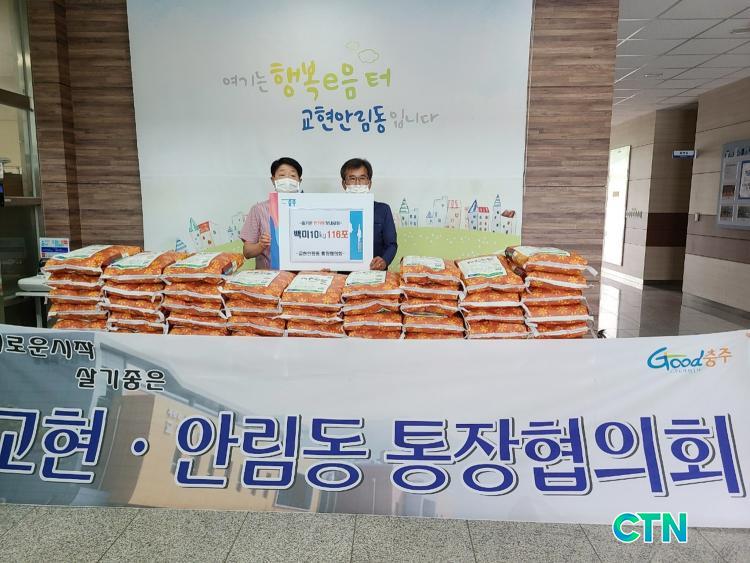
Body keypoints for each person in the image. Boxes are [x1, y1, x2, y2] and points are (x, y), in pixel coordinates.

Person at [241, 157, 302, 269]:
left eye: (293, 176)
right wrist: (261, 245)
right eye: (282, 175)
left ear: (299, 181)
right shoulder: (258, 210)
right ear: (273, 180)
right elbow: (247, 252)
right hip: (268, 276)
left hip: (301, 275)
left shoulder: (308, 209)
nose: (287, 180)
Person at [340, 158, 397, 270]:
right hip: (344, 274)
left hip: (375, 272)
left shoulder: (383, 210)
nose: (357, 183)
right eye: (352, 178)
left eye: (362, 178)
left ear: (369, 183)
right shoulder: (335, 211)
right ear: (344, 184)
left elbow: (391, 244)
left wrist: (384, 260)